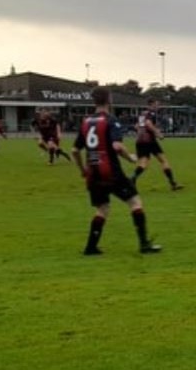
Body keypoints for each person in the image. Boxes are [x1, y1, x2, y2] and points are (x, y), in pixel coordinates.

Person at [73, 88, 161, 256]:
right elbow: (117, 146)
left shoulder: (85, 122)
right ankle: (144, 244)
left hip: (93, 172)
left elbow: (75, 151)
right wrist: (131, 158)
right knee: (135, 202)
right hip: (111, 172)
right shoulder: (111, 120)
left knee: (102, 209)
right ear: (109, 100)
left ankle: (91, 247)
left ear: (93, 101)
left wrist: (82, 170)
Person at [131, 99, 182, 191]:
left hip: (140, 141)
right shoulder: (151, 114)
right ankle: (173, 183)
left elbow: (136, 126)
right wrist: (158, 133)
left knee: (143, 163)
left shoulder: (142, 114)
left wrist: (141, 133)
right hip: (150, 140)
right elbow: (148, 124)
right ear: (151, 104)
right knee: (163, 160)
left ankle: (132, 178)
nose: (158, 107)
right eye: (157, 105)